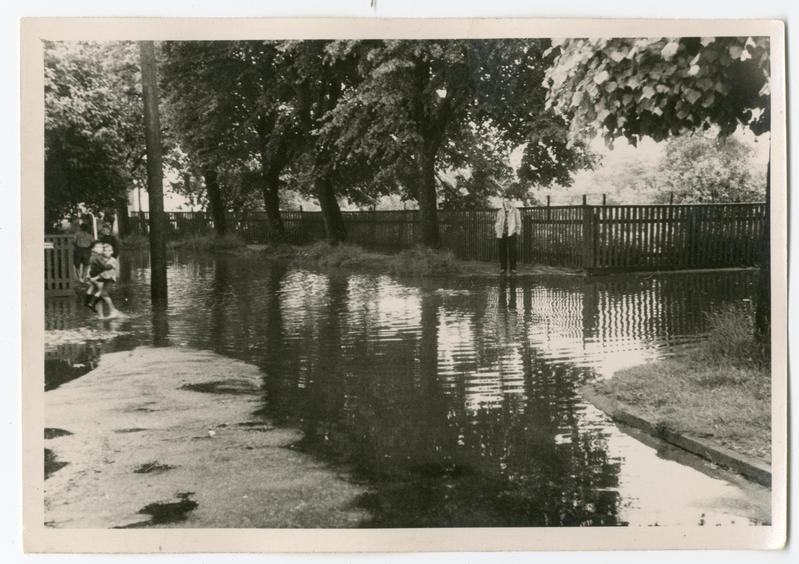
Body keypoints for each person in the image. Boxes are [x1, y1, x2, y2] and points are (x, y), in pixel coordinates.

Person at [87, 243, 120, 317]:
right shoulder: (99, 259)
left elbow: (107, 273)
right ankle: (100, 316)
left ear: (112, 251)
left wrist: (96, 277)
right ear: (102, 251)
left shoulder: (113, 261)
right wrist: (89, 276)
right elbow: (92, 268)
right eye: (105, 250)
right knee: (98, 298)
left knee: (104, 294)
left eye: (109, 250)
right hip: (98, 280)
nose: (107, 252)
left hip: (108, 280)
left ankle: (113, 310)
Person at [494, 197, 521, 275]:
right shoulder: (500, 211)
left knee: (512, 251)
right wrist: (497, 230)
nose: (506, 203)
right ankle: (503, 268)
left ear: (510, 202)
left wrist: (516, 232)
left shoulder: (515, 211)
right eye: (504, 201)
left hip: (511, 233)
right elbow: (497, 222)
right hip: (502, 233)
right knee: (502, 251)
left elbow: (518, 222)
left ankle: (513, 268)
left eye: (507, 201)